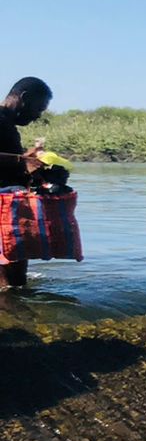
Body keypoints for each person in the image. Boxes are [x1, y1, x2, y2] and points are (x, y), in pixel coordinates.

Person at [0, 77, 53, 289]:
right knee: (9, 280)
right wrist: (22, 160)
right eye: (38, 109)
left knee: (16, 279)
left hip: (10, 207)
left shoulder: (7, 125)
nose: (37, 116)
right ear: (24, 98)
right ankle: (14, 316)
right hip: (4, 207)